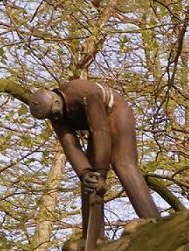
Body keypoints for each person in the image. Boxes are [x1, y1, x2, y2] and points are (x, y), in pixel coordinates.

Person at [29, 79, 160, 237]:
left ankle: (153, 220)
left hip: (114, 113)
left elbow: (101, 130)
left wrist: (101, 172)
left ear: (57, 100)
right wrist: (85, 173)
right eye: (52, 117)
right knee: (90, 182)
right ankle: (93, 237)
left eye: (55, 114)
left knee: (122, 163)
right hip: (95, 128)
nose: (56, 119)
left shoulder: (84, 93)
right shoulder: (54, 113)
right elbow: (71, 146)